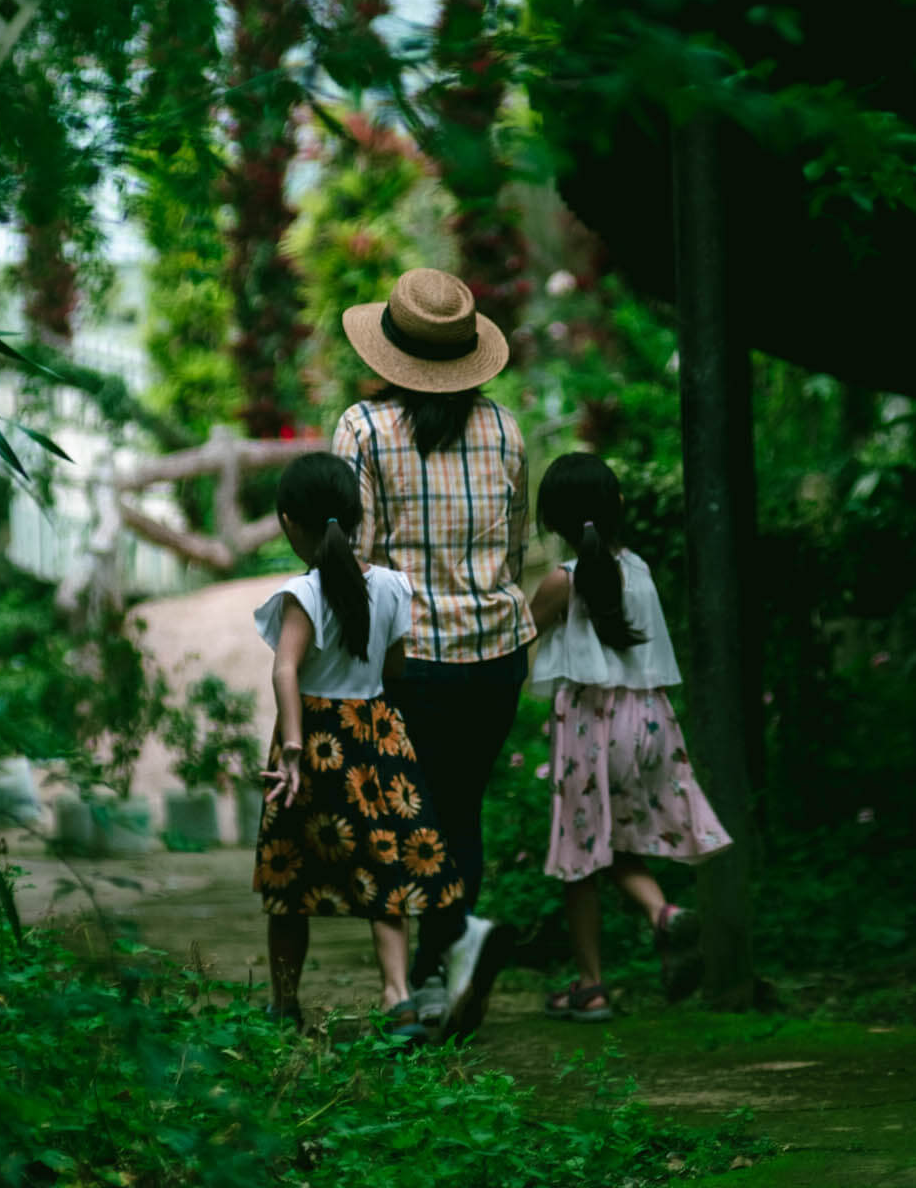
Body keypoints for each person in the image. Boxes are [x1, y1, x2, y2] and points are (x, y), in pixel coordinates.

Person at [333, 267, 534, 1041]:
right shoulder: (507, 430)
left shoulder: (365, 428)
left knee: (397, 815)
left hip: (407, 659)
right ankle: (451, 954)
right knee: (460, 810)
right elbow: (515, 550)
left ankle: (426, 970)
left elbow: (355, 555)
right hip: (495, 653)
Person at [251, 452, 462, 1043]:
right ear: (355, 514)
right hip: (374, 736)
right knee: (383, 871)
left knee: (291, 879)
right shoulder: (394, 587)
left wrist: (293, 746)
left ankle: (284, 1005)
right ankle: (397, 996)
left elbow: (285, 670)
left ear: (290, 522)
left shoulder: (302, 592)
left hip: (314, 740)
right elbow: (394, 666)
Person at [526, 453, 733, 1021]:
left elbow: (511, 633)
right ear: (617, 506)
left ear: (552, 518)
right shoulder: (638, 570)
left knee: (579, 852)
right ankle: (662, 915)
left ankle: (592, 985)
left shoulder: (561, 583)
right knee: (611, 841)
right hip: (650, 722)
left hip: (593, 722)